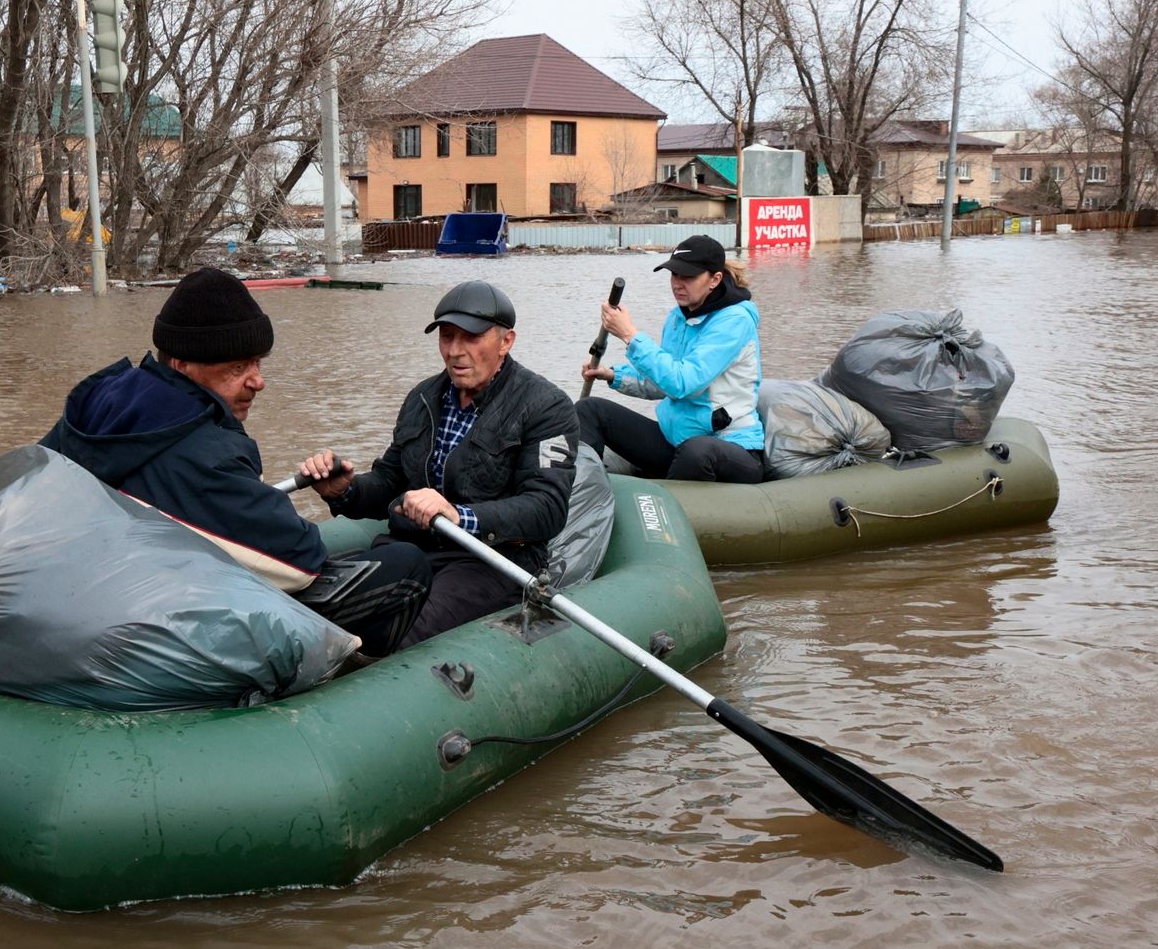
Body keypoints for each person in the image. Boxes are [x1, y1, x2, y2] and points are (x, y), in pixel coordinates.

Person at [41, 267, 431, 654]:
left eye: (258, 362)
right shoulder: (205, 451)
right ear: (182, 365)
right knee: (404, 565)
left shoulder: (98, 400)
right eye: (237, 367)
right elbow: (299, 561)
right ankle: (355, 677)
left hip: (82, 593)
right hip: (149, 624)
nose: (257, 381)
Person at [302, 281, 578, 650]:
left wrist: (460, 516)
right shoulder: (422, 398)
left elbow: (548, 508)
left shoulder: (546, 407)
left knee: (399, 636)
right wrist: (345, 491)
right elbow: (390, 479)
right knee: (314, 612)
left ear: (506, 341)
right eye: (447, 337)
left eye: (470, 338)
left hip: (491, 560)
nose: (455, 351)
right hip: (409, 550)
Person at [578, 233, 768, 484]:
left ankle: (661, 509)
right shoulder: (678, 318)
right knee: (589, 410)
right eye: (674, 274)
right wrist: (614, 375)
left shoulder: (734, 321)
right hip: (675, 440)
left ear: (715, 279)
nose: (678, 283)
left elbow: (683, 382)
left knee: (698, 451)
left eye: (688, 276)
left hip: (730, 446)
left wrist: (629, 335)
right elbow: (664, 383)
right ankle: (579, 494)